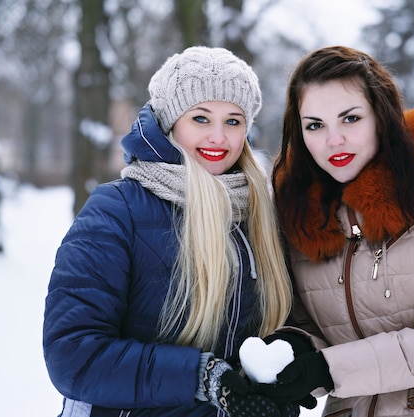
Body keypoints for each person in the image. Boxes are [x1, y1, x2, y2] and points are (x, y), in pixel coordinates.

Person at [43, 46, 298, 417]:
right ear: (169, 122)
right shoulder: (116, 211)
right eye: (200, 118)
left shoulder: (258, 214)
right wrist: (201, 376)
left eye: (233, 121)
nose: (218, 137)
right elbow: (74, 356)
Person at [254, 45, 414, 416]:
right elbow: (314, 329)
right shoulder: (302, 217)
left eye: (350, 119)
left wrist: (329, 368)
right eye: (315, 125)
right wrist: (296, 350)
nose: (333, 140)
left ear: (381, 117)